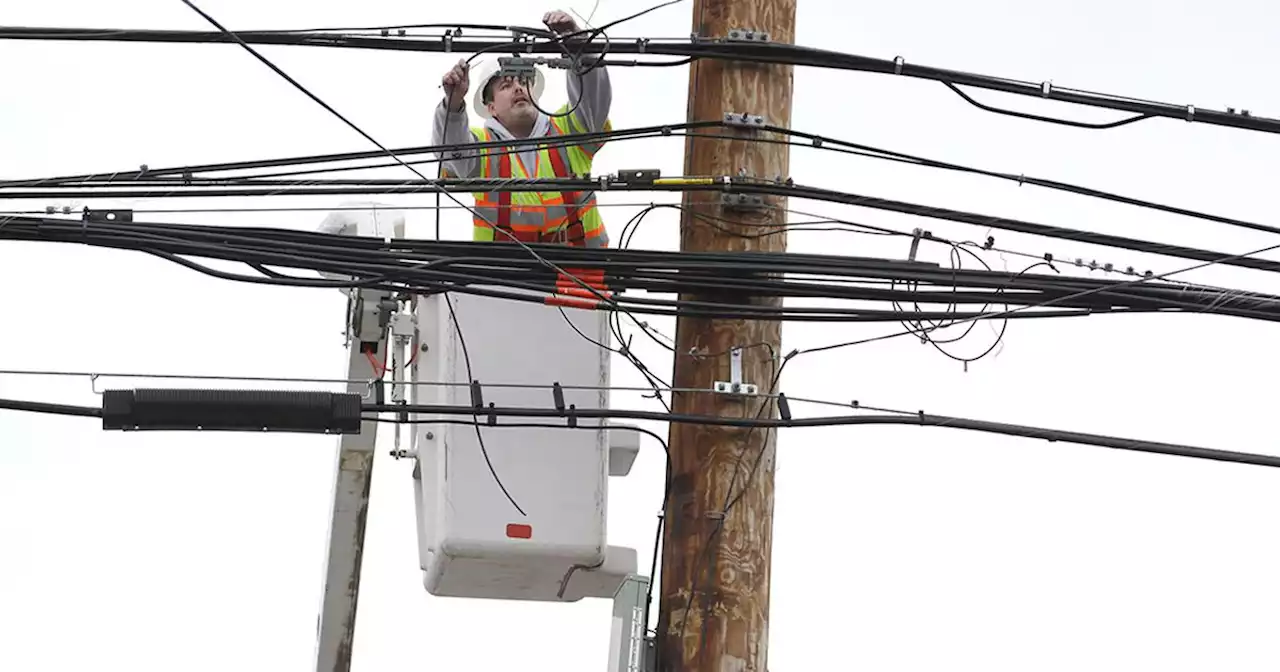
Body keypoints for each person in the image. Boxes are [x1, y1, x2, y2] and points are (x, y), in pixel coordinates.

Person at [433, 9, 613, 248]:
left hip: (580, 275)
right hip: (504, 279)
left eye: (524, 81)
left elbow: (593, 99)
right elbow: (451, 151)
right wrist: (453, 104)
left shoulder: (568, 127)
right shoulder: (482, 146)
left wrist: (578, 45)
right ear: (491, 107)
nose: (519, 88)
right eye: (507, 85)